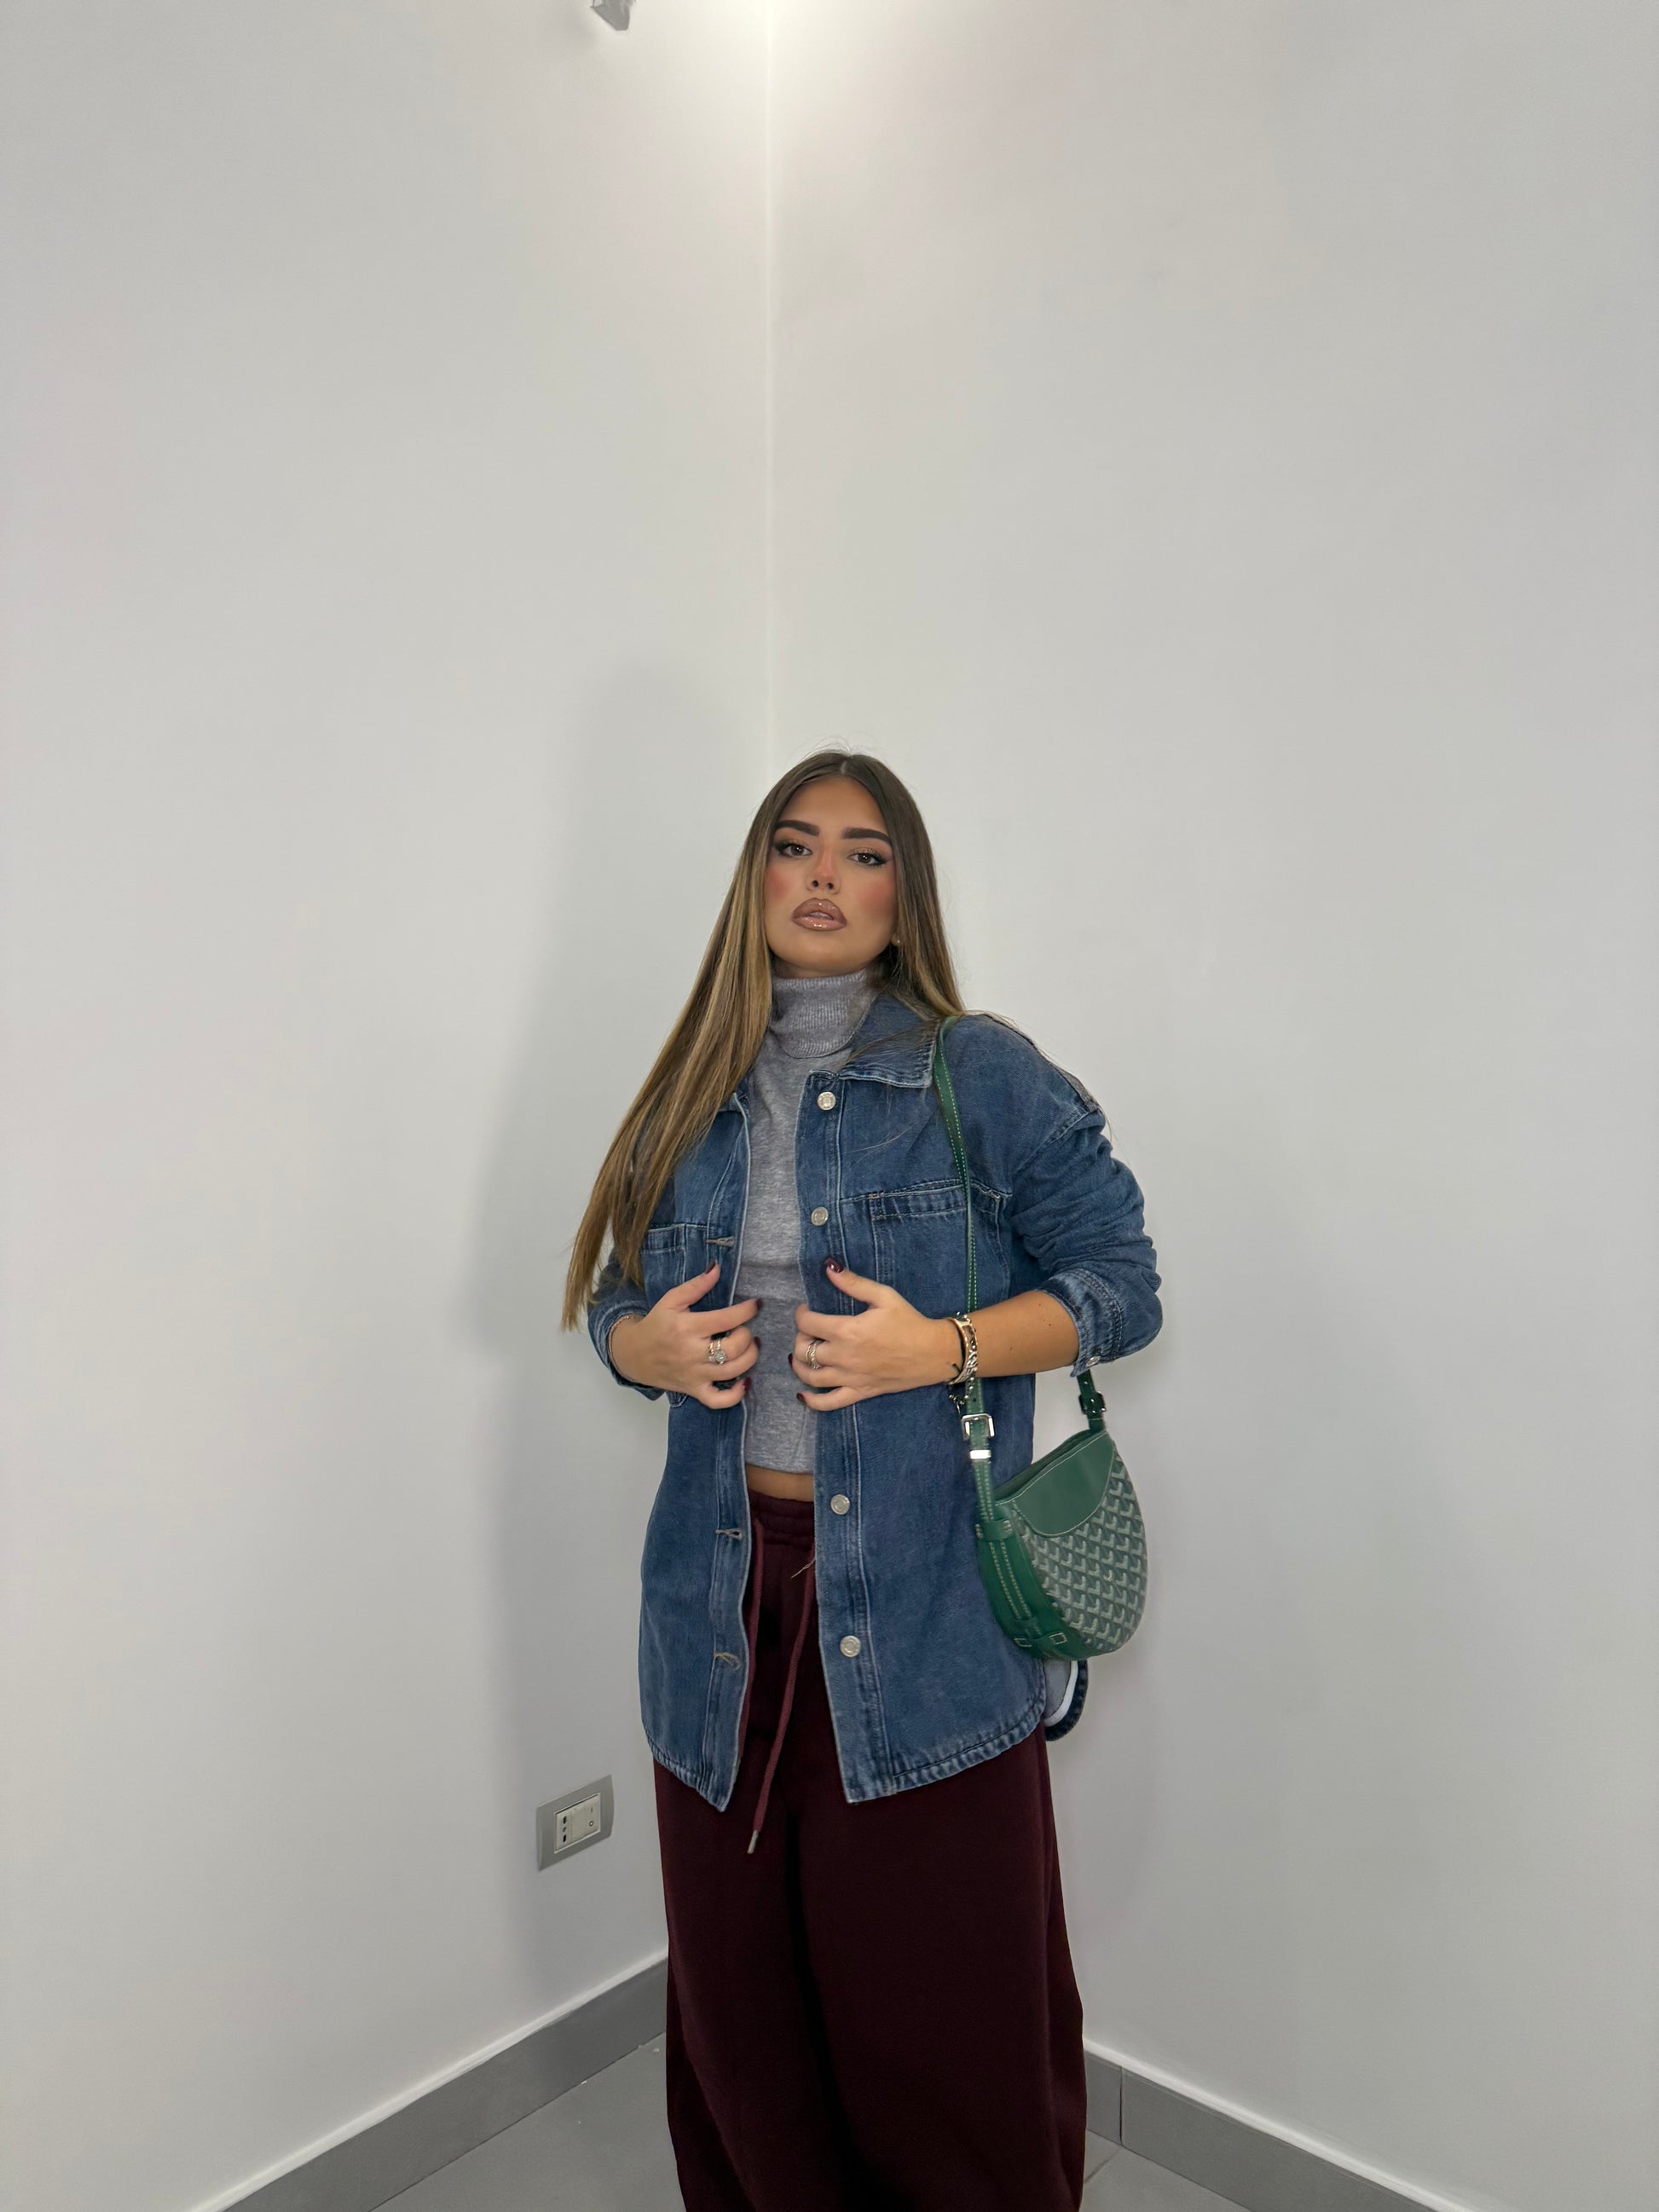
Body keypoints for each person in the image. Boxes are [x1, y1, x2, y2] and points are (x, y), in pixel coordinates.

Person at [563, 750, 1162, 2212]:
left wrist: (937, 1348)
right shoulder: (689, 1089)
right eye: (795, 844)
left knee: (943, 2029)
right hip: (717, 1611)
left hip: (924, 1601)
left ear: (905, 895)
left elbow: (1123, 1286)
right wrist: (638, 1344)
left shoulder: (977, 1073)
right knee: (742, 2022)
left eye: (864, 851)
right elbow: (618, 1302)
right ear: (756, 878)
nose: (824, 874)